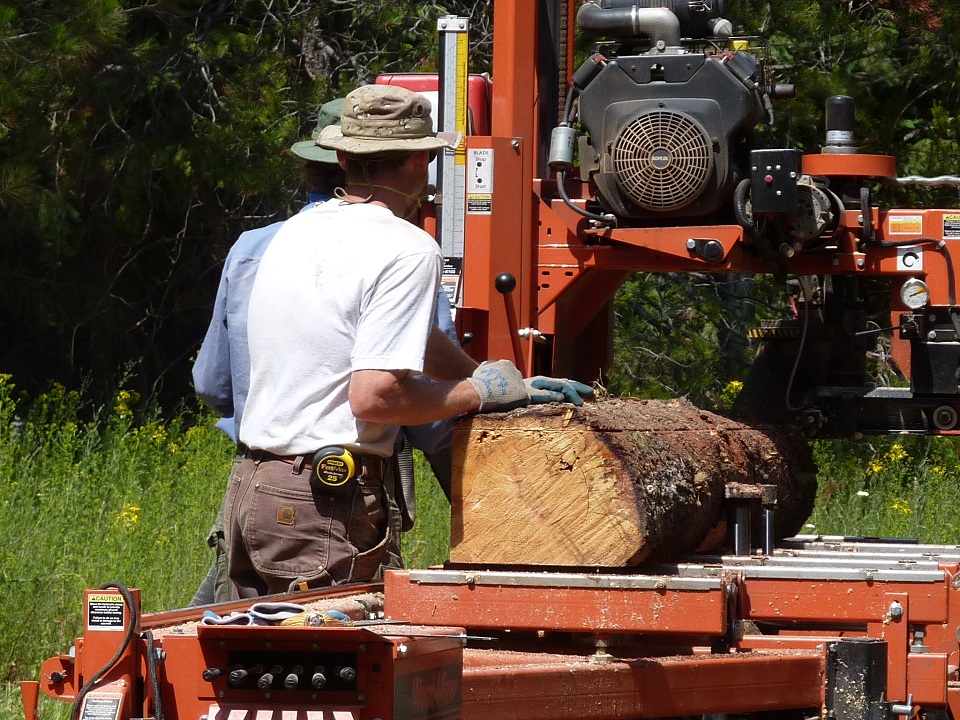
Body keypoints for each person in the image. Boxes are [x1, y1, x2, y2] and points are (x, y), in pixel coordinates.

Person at [225, 84, 594, 598]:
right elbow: (374, 397)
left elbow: (392, 334)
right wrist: (480, 395)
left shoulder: (295, 233)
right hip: (324, 500)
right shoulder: (406, 247)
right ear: (422, 161)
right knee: (332, 670)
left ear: (342, 154)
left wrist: (487, 375)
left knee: (265, 667)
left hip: (253, 489)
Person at [190, 98, 347, 606]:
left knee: (232, 637)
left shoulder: (251, 247)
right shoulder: (401, 250)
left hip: (250, 477)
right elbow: (423, 408)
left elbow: (211, 383)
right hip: (335, 493)